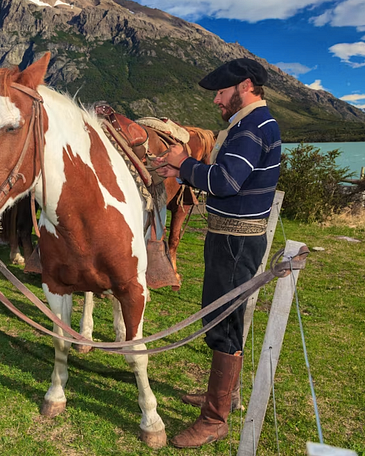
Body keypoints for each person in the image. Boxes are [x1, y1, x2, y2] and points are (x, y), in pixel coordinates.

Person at [153, 58, 281, 448]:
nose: (216, 101)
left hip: (235, 240)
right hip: (232, 237)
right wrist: (180, 172)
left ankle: (214, 419)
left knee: (223, 320)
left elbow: (225, 182)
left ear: (244, 86)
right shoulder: (250, 125)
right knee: (225, 317)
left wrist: (183, 163)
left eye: (221, 93)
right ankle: (224, 396)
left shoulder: (251, 128)